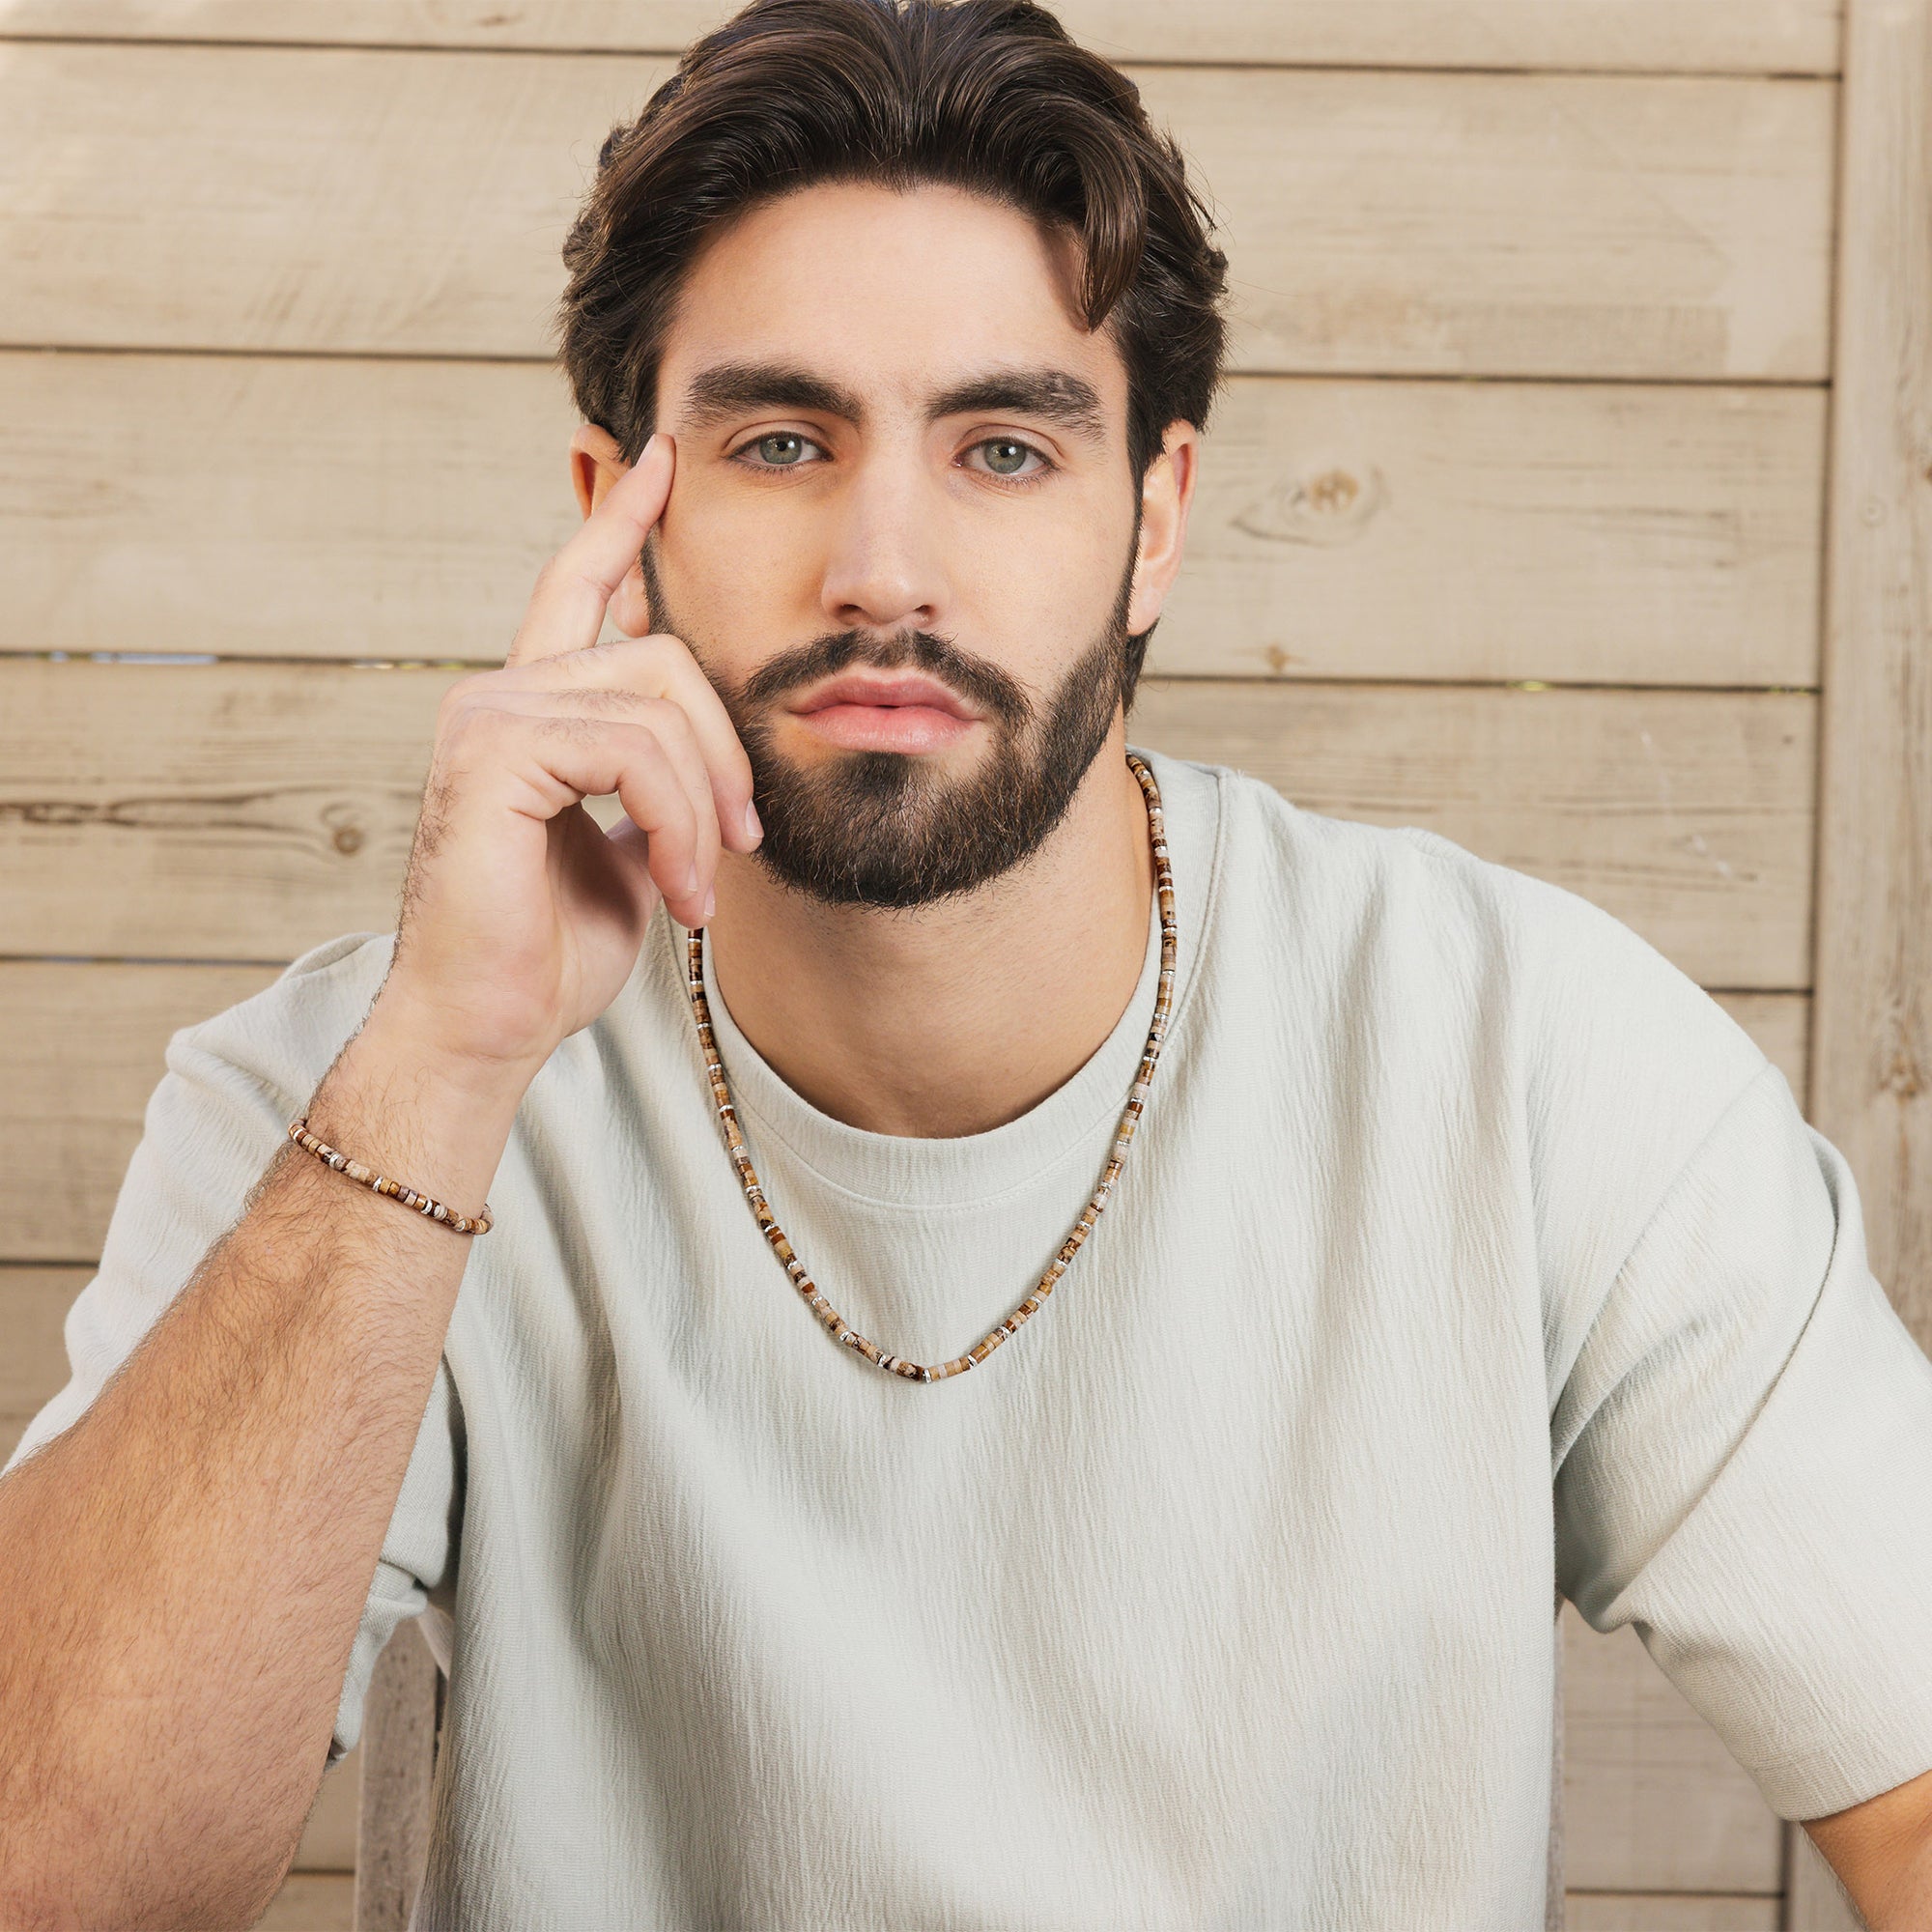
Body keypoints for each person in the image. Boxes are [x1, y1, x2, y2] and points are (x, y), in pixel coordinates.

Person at [4, 0, 1931, 1924]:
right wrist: (445, 1052)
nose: (886, 567)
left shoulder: (1529, 1063)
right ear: (612, 518)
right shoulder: (346, 1095)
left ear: (1155, 521)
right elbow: (54, 1879)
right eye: (779, 439)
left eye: (1004, 448)